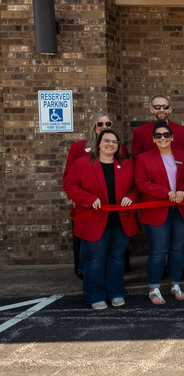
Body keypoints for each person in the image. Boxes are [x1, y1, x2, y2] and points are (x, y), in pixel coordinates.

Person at [63, 130, 139, 310]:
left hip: (121, 221)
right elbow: (69, 185)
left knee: (117, 258)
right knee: (95, 259)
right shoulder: (82, 164)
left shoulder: (128, 165)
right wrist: (88, 199)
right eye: (106, 141)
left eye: (114, 141)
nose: (110, 144)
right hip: (94, 221)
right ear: (98, 143)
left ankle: (116, 293)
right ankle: (95, 295)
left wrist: (132, 197)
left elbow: (137, 188)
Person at [135, 122, 184, 304]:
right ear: (153, 139)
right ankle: (154, 288)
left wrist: (183, 191)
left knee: (177, 249)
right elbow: (141, 182)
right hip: (156, 209)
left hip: (180, 208)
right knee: (158, 249)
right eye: (159, 135)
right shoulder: (144, 158)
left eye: (166, 134)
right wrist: (166, 193)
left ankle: (175, 284)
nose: (163, 138)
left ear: (172, 137)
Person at [63, 112, 129, 279]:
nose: (104, 127)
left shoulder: (121, 148)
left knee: (115, 252)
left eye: (108, 124)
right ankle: (86, 274)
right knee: (90, 249)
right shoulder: (78, 148)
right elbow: (69, 177)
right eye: (100, 124)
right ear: (93, 126)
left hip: (114, 208)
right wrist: (80, 197)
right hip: (87, 207)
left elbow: (127, 176)